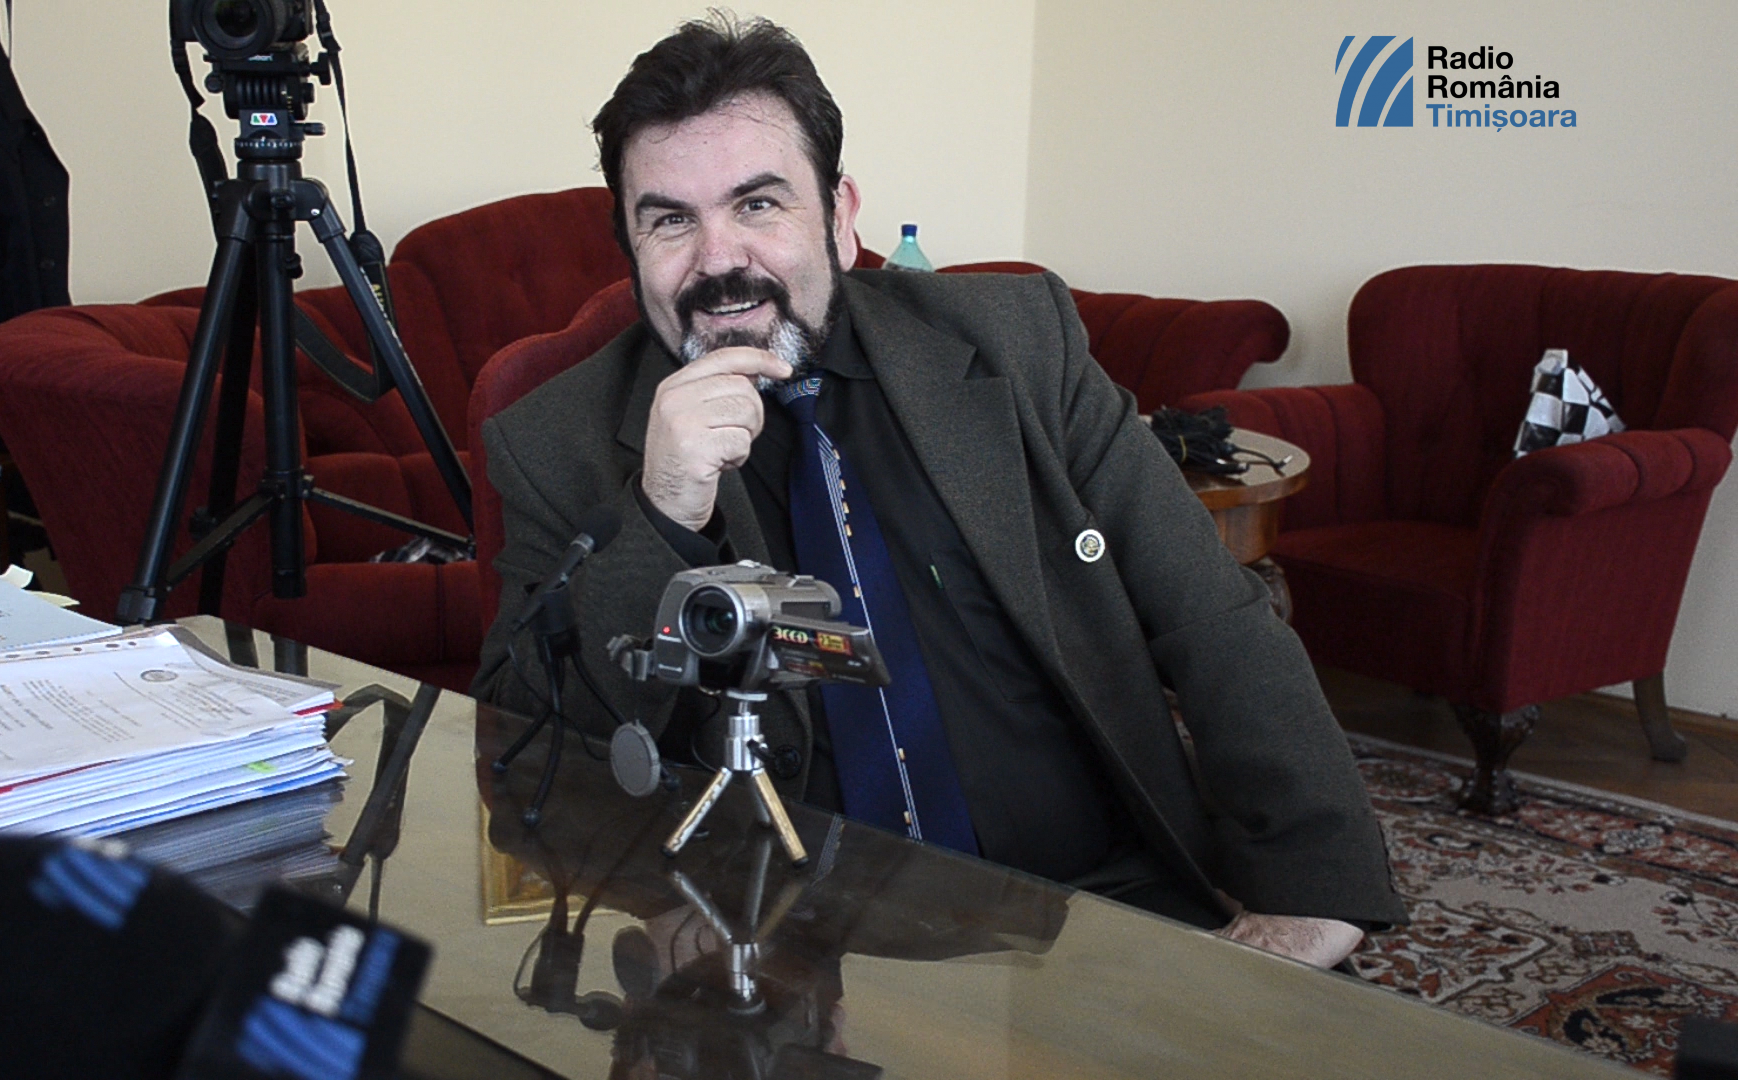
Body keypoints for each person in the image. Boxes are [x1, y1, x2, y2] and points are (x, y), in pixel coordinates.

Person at [474, 14, 1406, 967]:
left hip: (1092, 910)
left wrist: (1313, 894)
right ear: (632, 245)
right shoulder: (556, 443)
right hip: (786, 950)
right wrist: (662, 513)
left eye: (758, 203)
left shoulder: (1019, 346)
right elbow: (526, 760)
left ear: (840, 216)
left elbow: (1210, 617)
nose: (718, 258)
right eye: (670, 219)